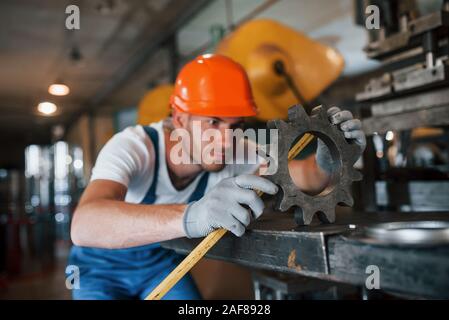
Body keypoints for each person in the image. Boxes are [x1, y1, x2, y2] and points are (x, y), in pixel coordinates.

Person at [68, 54, 366, 299]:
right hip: (98, 270)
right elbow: (85, 225)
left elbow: (305, 175)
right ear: (180, 118)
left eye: (235, 125)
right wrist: (192, 216)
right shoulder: (134, 147)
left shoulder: (236, 150)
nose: (226, 140)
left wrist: (331, 159)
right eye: (213, 122)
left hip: (161, 266)